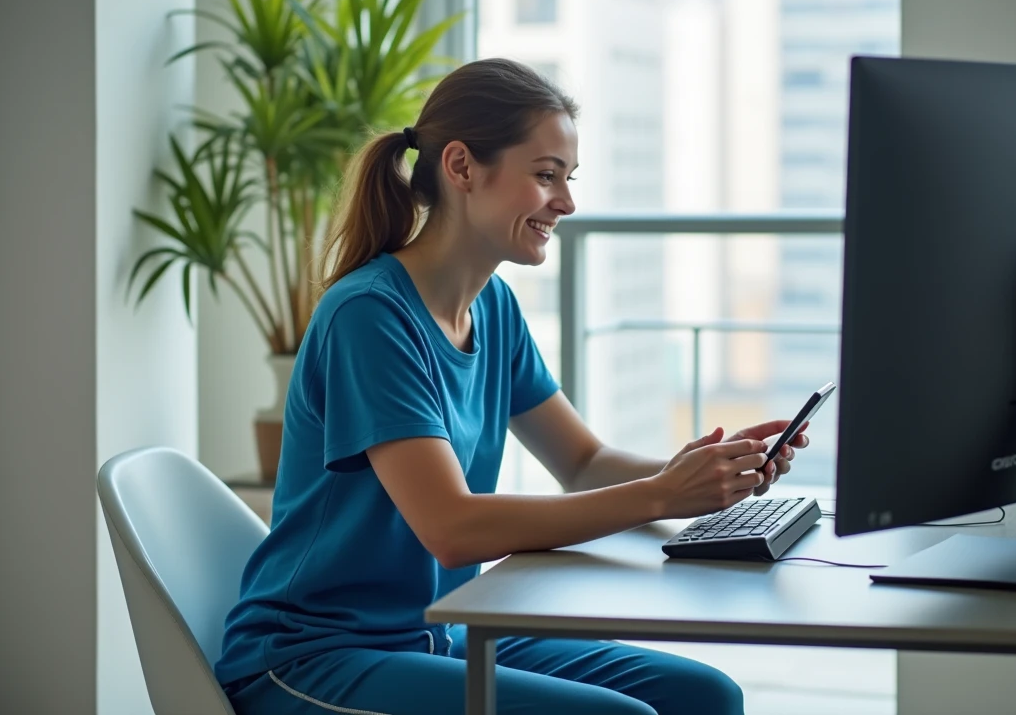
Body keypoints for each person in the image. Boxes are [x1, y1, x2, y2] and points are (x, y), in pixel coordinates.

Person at [213, 57, 809, 715]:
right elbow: (452, 529)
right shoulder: (369, 316)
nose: (567, 202)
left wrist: (703, 474)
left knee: (705, 696)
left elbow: (583, 462)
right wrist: (662, 495)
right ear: (462, 167)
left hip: (437, 634)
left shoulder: (493, 308)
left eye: (568, 178)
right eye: (546, 175)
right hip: (315, 656)